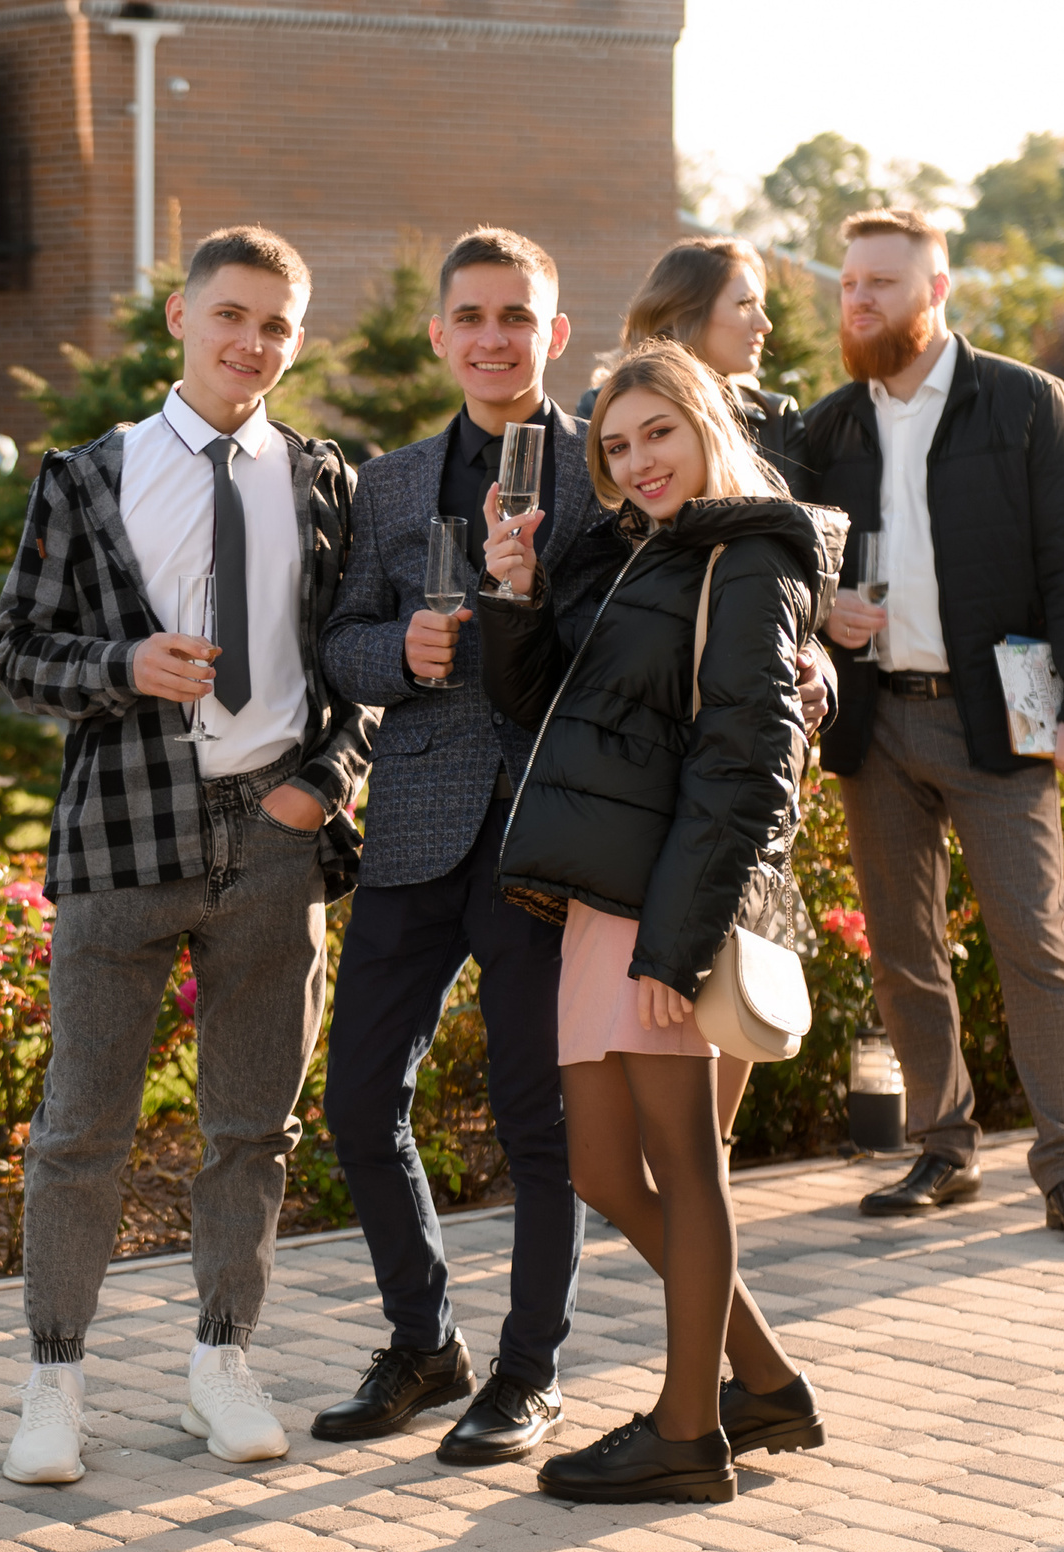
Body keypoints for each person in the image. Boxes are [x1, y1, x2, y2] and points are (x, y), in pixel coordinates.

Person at [0, 226, 373, 1485]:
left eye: (275, 324)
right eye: (230, 315)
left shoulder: (324, 481)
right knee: (79, 1127)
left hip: (273, 837)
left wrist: (323, 787)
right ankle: (53, 1385)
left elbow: (360, 666)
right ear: (178, 315)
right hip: (124, 837)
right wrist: (121, 667)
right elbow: (18, 653)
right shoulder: (89, 475)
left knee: (248, 1131)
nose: (250, 343)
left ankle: (223, 1360)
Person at [482, 339, 838, 1503]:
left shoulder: (746, 553)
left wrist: (671, 952)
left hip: (672, 910)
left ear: (705, 425)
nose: (637, 461)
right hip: (609, 899)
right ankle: (765, 1381)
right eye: (616, 445)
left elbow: (748, 766)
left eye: (658, 434)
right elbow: (545, 710)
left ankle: (689, 1432)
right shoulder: (645, 553)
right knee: (600, 1165)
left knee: (684, 1166)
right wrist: (516, 588)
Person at [313, 227, 592, 1466]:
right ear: (440, 334)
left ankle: (528, 1373)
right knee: (361, 1099)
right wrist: (401, 656)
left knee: (539, 1118)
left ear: (553, 333)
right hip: (414, 827)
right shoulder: (385, 485)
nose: (492, 338)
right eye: (470, 316)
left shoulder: (608, 470)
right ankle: (425, 1341)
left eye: (515, 317)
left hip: (544, 828)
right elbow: (341, 646)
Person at [809, 209, 1064, 1247]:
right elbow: (786, 565)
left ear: (936, 290)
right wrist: (821, 608)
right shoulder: (827, 426)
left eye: (882, 285)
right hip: (875, 722)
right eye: (850, 284)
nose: (858, 301)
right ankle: (940, 1148)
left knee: (1033, 943)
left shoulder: (1027, 404)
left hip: (997, 720)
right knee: (903, 950)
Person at [580, 236, 813, 498]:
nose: (765, 324)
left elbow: (799, 529)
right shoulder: (600, 407)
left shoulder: (777, 417)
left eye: (762, 305)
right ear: (687, 314)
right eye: (745, 304)